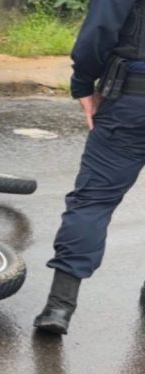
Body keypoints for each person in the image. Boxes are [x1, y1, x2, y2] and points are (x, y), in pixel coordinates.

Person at [34, 0, 145, 335]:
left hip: (130, 102)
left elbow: (99, 30)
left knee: (93, 201)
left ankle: (59, 307)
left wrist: (82, 83)